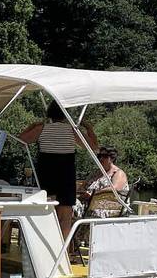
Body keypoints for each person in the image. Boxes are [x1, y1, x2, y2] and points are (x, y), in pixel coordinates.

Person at [19, 101, 98, 238]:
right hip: (66, 174)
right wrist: (89, 128)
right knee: (65, 218)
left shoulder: (41, 129)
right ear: (65, 115)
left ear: (49, 113)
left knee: (46, 214)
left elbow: (20, 140)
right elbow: (94, 146)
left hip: (47, 173)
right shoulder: (72, 131)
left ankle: (46, 248)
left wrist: (32, 126)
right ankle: (63, 253)